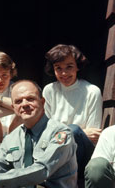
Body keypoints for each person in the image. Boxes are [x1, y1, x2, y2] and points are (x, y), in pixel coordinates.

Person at [43, 44, 103, 176]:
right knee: (73, 131)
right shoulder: (49, 90)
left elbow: (93, 136)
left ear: (77, 66)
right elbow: (44, 132)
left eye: (69, 67)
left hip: (82, 153)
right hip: (55, 150)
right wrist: (77, 133)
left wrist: (67, 132)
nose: (64, 73)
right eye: (58, 68)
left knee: (75, 129)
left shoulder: (92, 92)